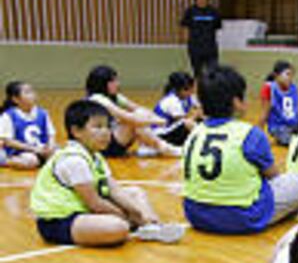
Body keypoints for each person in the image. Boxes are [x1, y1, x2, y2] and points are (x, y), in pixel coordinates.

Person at [29, 100, 185, 246]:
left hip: (84, 210)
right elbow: (95, 203)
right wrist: (126, 216)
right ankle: (140, 226)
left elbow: (114, 189)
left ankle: (153, 226)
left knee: (136, 192)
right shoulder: (74, 160)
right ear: (76, 131)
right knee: (118, 228)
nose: (106, 132)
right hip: (58, 221)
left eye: (108, 126)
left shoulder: (95, 156)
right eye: (98, 127)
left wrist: (137, 213)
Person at [182, 65, 298, 234]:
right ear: (236, 102)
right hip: (242, 218)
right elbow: (274, 177)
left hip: (196, 215)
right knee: (297, 181)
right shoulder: (249, 133)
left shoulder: (194, 132)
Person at [85, 65, 181, 158]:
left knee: (140, 112)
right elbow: (129, 119)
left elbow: (139, 108)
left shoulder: (116, 97)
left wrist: (156, 118)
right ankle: (164, 148)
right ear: (102, 83)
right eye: (113, 81)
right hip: (104, 146)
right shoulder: (98, 99)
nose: (117, 84)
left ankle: (149, 143)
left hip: (114, 138)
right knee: (133, 122)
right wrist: (159, 122)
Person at [0, 81, 56, 169]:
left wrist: (50, 146)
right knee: (31, 161)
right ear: (16, 99)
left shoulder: (43, 113)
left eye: (32, 91)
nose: (32, 95)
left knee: (60, 155)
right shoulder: (9, 115)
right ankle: (5, 160)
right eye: (27, 92)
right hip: (20, 152)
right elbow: (8, 141)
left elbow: (51, 134)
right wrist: (34, 149)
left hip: (41, 148)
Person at [181, 0, 223, 77]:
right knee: (198, 74)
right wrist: (188, 43)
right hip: (195, 47)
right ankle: (199, 90)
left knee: (213, 73)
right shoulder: (190, 11)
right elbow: (185, 27)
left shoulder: (214, 12)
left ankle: (211, 91)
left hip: (210, 48)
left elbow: (217, 28)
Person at [151, 71, 203, 147]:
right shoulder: (171, 100)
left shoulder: (188, 97)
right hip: (160, 134)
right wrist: (196, 115)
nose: (190, 92)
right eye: (187, 89)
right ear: (178, 90)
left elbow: (201, 109)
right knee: (187, 123)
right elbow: (183, 122)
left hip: (172, 130)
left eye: (191, 88)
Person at [258, 60, 298, 146]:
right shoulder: (269, 88)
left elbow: (295, 111)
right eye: (287, 74)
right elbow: (264, 114)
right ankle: (279, 139)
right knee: (295, 143)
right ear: (276, 75)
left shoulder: (293, 88)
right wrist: (259, 138)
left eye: (292, 75)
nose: (290, 78)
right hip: (278, 127)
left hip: (293, 126)